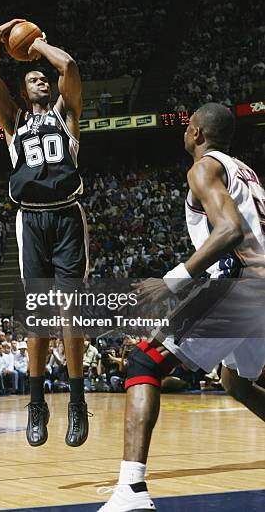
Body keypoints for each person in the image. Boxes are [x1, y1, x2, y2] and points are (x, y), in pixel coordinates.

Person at [99, 102, 265, 511]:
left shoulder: (204, 167)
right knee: (235, 382)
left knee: (143, 362)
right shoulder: (247, 172)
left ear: (196, 133)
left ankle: (131, 491)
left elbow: (229, 231)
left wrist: (171, 281)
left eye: (187, 126)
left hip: (242, 285)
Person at [0, 18, 89, 447]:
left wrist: (37, 45)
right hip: (30, 218)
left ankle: (78, 402)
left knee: (70, 310)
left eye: (44, 78)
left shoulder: (67, 113)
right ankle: (37, 402)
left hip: (66, 216)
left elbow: (70, 68)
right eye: (32, 78)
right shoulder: (13, 122)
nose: (41, 80)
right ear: (23, 92)